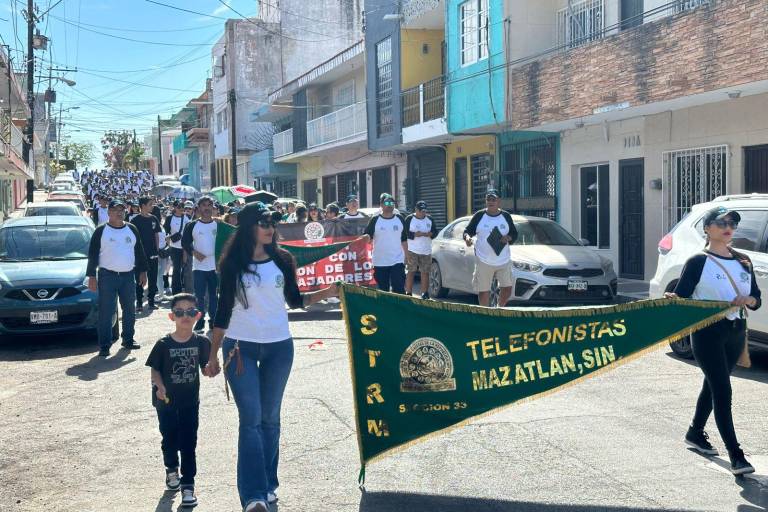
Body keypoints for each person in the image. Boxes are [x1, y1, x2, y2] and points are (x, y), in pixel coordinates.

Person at [204, 202, 338, 512]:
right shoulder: (232, 264)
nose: (270, 227)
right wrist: (212, 355)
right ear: (249, 225)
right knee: (251, 421)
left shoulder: (283, 259)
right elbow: (222, 312)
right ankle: (253, 496)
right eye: (264, 222)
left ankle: (268, 485)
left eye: (272, 223)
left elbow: (295, 300)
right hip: (240, 348)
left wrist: (328, 291)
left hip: (279, 347)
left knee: (270, 420)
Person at [664, 207, 761, 475]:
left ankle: (695, 432)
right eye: (721, 222)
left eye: (733, 223)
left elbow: (756, 298)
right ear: (707, 228)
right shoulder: (698, 261)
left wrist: (749, 300)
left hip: (736, 332)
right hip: (707, 332)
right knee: (723, 389)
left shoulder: (744, 261)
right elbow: (681, 297)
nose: (728, 227)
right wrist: (673, 302)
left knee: (713, 384)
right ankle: (736, 455)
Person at [145, 293, 211, 508]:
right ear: (171, 316)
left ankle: (188, 484)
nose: (185, 316)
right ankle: (171, 469)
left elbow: (206, 367)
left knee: (189, 442)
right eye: (179, 312)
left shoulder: (202, 342)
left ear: (198, 316)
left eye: (190, 312)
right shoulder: (163, 344)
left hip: (190, 402)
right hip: (165, 402)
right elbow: (155, 369)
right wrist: (159, 386)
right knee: (169, 438)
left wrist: (213, 367)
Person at [86, 199, 148, 357]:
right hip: (107, 276)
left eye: (121, 209)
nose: (119, 212)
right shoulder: (101, 231)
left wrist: (143, 271)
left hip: (128, 276)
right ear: (109, 212)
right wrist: (92, 276)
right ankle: (104, 345)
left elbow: (139, 251)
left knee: (129, 309)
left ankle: (128, 339)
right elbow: (92, 255)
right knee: (106, 312)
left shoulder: (132, 229)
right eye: (115, 210)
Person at [462, 189, 517, 307]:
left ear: (499, 201)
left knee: (507, 289)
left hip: (503, 260)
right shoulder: (479, 216)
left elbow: (514, 234)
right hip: (484, 260)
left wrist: (508, 237)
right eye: (488, 199)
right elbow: (467, 231)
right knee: (483, 291)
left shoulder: (506, 216)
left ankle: (499, 310)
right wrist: (467, 238)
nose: (491, 202)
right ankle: (485, 314)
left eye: (493, 199)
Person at [181, 196, 221, 332]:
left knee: (214, 296)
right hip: (198, 267)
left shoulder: (218, 225)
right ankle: (200, 321)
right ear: (198, 208)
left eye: (209, 205)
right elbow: (185, 242)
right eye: (204, 205)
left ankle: (213, 320)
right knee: (199, 296)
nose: (207, 208)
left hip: (215, 268)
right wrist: (194, 252)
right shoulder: (192, 225)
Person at [361, 193, 407, 294]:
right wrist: (366, 238)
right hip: (380, 261)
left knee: (399, 288)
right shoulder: (375, 220)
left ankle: (400, 309)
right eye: (387, 202)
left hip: (397, 260)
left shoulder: (400, 219)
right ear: (381, 205)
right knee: (383, 290)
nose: (390, 204)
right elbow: (368, 236)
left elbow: (404, 239)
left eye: (392, 202)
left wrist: (407, 256)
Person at [132, 196, 162, 310]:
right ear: (143, 206)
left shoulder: (154, 218)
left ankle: (151, 301)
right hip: (140, 255)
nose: (152, 206)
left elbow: (156, 235)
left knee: (153, 278)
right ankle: (139, 302)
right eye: (150, 204)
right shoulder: (135, 220)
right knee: (140, 279)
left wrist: (157, 250)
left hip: (153, 253)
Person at [404, 201, 439, 299]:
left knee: (425, 272)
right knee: (411, 271)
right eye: (420, 211)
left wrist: (431, 234)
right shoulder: (409, 219)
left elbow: (435, 232)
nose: (422, 213)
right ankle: (408, 292)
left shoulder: (430, 219)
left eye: (424, 211)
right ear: (416, 210)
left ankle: (424, 293)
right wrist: (414, 234)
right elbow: (404, 233)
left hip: (426, 251)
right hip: (412, 250)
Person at [164, 201, 189, 295]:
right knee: (177, 269)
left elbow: (189, 231)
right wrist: (168, 238)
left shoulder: (187, 217)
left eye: (182, 206)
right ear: (174, 207)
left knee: (185, 269)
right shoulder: (170, 218)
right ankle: (176, 292)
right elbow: (165, 230)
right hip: (174, 247)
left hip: (185, 247)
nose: (181, 208)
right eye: (179, 206)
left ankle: (186, 288)